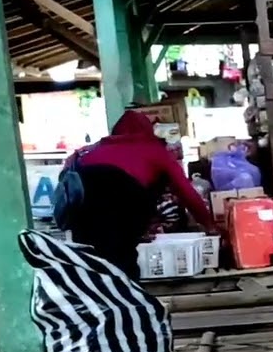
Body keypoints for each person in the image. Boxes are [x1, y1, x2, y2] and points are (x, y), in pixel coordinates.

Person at [53, 110, 217, 279]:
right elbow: (186, 191)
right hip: (124, 205)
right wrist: (210, 226)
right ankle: (128, 300)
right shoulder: (155, 150)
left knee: (91, 263)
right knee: (123, 264)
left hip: (84, 212)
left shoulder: (91, 151)